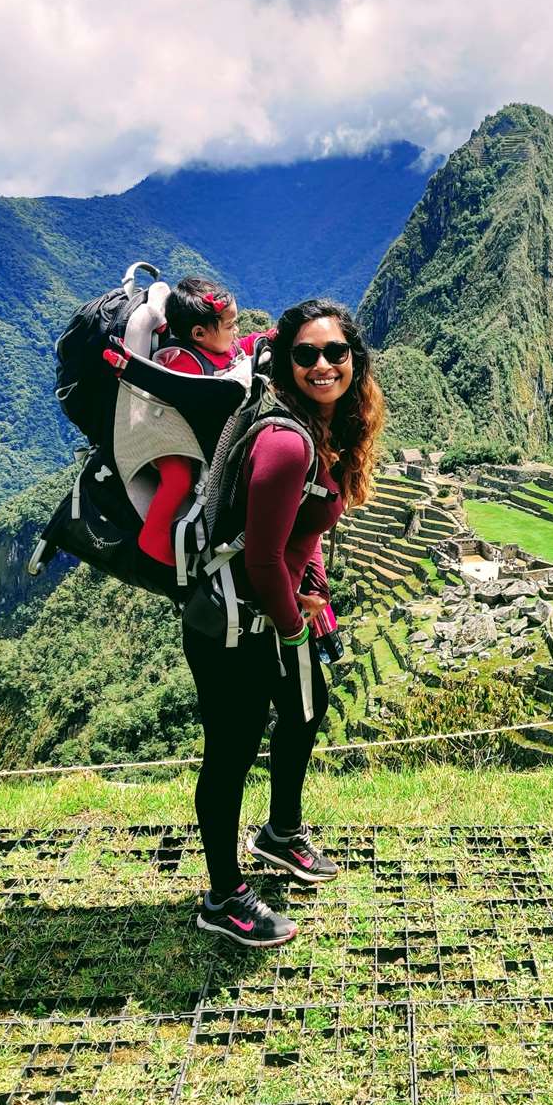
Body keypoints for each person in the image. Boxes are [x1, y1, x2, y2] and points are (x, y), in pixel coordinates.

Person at [188, 298, 385, 948]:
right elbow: (263, 556)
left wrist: (314, 593)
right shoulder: (282, 440)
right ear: (285, 360)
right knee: (233, 750)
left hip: (276, 609)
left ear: (354, 358)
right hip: (236, 624)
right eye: (307, 354)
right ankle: (223, 896)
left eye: (336, 352)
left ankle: (279, 833)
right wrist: (295, 627)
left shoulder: (321, 427)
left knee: (307, 707)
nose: (323, 365)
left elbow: (298, 540)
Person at [138, 276, 255, 570]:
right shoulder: (182, 362)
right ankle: (151, 537)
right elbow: (181, 393)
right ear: (200, 333)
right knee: (178, 479)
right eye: (230, 326)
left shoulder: (218, 347)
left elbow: (241, 348)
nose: (236, 330)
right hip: (168, 435)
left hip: (193, 431)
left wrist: (271, 336)